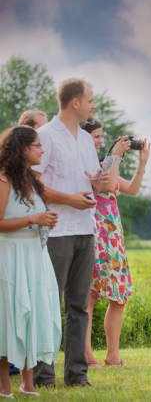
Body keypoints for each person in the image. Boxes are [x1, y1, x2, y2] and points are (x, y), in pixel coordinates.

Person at [32, 78, 108, 388]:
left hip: (85, 231)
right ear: (75, 103)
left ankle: (77, 375)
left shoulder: (86, 140)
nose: (93, 106)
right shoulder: (44, 137)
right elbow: (31, 185)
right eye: (90, 100)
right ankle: (43, 375)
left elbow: (90, 183)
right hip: (56, 231)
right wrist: (68, 199)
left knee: (78, 304)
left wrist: (96, 183)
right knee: (49, 302)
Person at [81, 121, 150, 368]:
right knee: (89, 297)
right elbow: (107, 185)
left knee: (119, 297)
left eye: (101, 137)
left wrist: (142, 163)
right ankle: (88, 357)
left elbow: (130, 188)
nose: (100, 140)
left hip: (114, 239)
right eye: (96, 136)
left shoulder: (104, 163)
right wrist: (115, 154)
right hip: (95, 235)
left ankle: (113, 356)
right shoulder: (85, 165)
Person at [0, 126, 61, 398]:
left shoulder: (33, 180)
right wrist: (32, 220)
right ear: (23, 148)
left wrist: (46, 220)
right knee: (9, 316)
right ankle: (3, 385)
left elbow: (35, 216)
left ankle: (28, 383)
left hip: (35, 255)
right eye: (37, 145)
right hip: (10, 257)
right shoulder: (3, 180)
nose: (42, 150)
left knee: (33, 314)